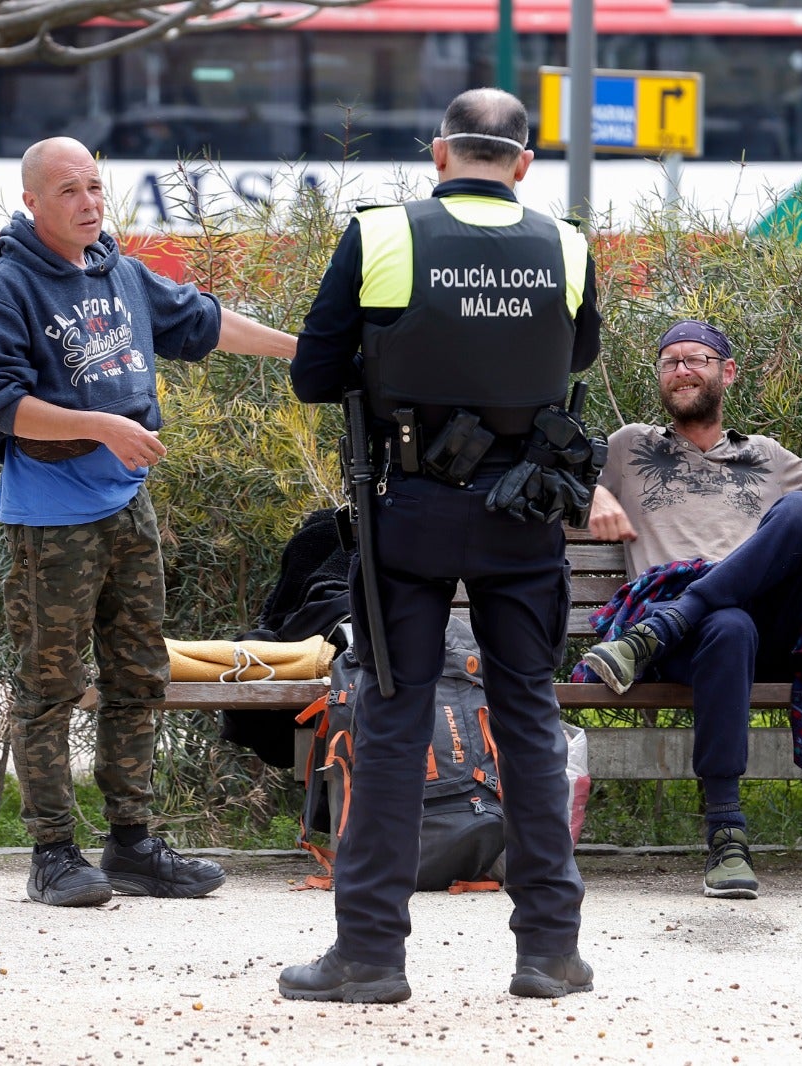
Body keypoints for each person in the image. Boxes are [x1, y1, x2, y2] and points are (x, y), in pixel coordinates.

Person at [279, 88, 601, 1003]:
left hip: (409, 510)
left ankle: (371, 956)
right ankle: (548, 952)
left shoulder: (383, 234)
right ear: (524, 163)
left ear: (438, 154)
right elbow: (573, 360)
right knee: (530, 724)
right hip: (524, 512)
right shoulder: (567, 244)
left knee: (390, 724)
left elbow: (312, 375)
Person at [0, 136, 297, 908]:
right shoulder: (4, 291)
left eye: (95, 188)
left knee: (139, 675)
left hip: (126, 505)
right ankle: (53, 855)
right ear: (33, 201)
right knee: (48, 685)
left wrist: (304, 354)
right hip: (51, 516)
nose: (88, 203)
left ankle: (134, 845)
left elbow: (205, 323)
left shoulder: (120, 271)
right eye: (69, 191)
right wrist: (102, 425)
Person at [581, 320, 802, 899]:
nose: (682, 370)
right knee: (727, 623)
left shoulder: (763, 455)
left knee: (798, 511)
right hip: (694, 647)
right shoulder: (629, 447)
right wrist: (594, 492)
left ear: (727, 372)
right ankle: (727, 833)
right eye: (670, 362)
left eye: (696, 359)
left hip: (759, 628)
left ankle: (669, 621)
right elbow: (559, 479)